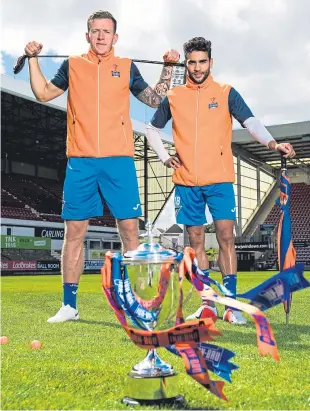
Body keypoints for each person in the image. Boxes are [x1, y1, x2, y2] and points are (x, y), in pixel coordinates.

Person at [24, 10, 179, 323]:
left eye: (106, 31)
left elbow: (153, 99)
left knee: (130, 230)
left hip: (119, 159)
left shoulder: (125, 67)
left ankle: (137, 303)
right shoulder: (73, 65)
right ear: (87, 35)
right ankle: (69, 305)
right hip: (80, 160)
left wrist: (169, 68)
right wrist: (32, 59)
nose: (100, 36)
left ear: (115, 37)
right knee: (74, 233)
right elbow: (43, 93)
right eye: (95, 31)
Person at [146, 37, 296, 324]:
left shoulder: (226, 93)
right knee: (196, 241)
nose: (198, 67)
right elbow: (152, 129)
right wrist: (166, 157)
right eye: (192, 62)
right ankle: (207, 305)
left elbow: (250, 122)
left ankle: (229, 305)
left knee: (227, 238)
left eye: (202, 62)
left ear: (210, 62)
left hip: (220, 180)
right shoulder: (175, 97)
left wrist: (272, 144)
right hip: (187, 181)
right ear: (186, 63)